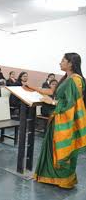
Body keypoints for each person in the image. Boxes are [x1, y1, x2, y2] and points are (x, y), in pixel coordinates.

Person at [34, 53, 86, 189]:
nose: (60, 62)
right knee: (52, 148)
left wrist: (51, 101)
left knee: (64, 149)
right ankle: (51, 176)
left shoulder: (76, 80)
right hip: (57, 117)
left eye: (63, 60)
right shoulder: (66, 78)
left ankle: (64, 179)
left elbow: (71, 104)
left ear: (70, 63)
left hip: (66, 121)